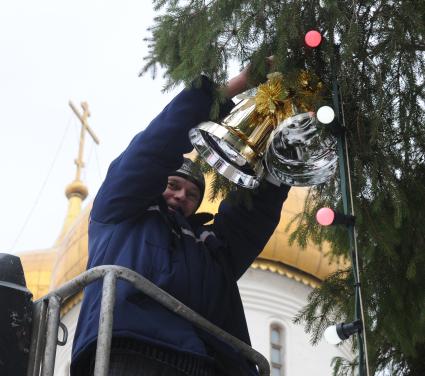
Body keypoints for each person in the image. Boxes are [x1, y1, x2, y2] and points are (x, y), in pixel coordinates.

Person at [71, 67, 290, 376]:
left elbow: (251, 217)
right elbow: (151, 151)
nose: (180, 197)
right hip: (132, 352)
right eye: (173, 186)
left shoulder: (209, 249)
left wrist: (282, 146)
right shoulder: (121, 214)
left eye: (192, 194)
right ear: (156, 184)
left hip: (209, 364)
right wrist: (226, 92)